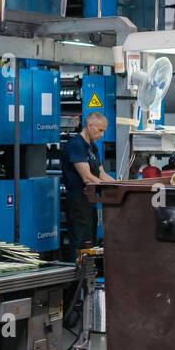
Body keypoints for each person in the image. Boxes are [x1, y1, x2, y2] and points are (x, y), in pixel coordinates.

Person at [62, 111, 115, 259]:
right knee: (80, 243)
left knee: (89, 243)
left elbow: (101, 174)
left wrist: (121, 185)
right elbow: (87, 177)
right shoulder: (76, 145)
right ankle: (77, 280)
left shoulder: (92, 147)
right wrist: (113, 189)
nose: (102, 134)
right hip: (78, 202)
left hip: (90, 201)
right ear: (90, 126)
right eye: (101, 130)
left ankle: (87, 279)